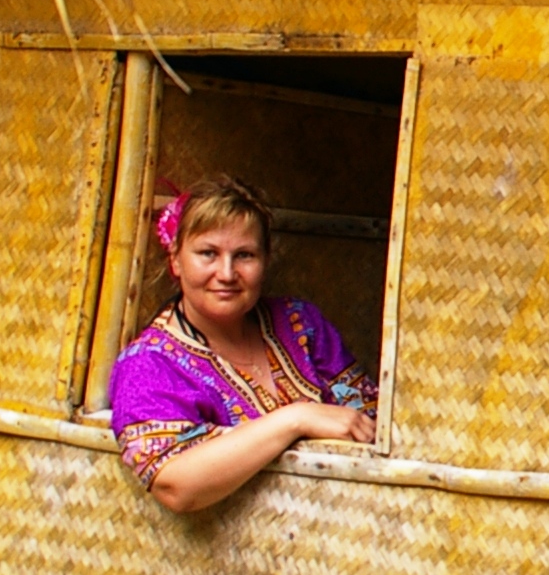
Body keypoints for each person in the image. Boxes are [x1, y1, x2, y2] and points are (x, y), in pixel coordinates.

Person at [109, 174, 377, 513]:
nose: (226, 273)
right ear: (176, 260)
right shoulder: (149, 365)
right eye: (208, 253)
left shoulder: (300, 324)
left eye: (245, 255)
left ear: (265, 261)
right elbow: (176, 484)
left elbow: (366, 416)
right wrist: (296, 419)